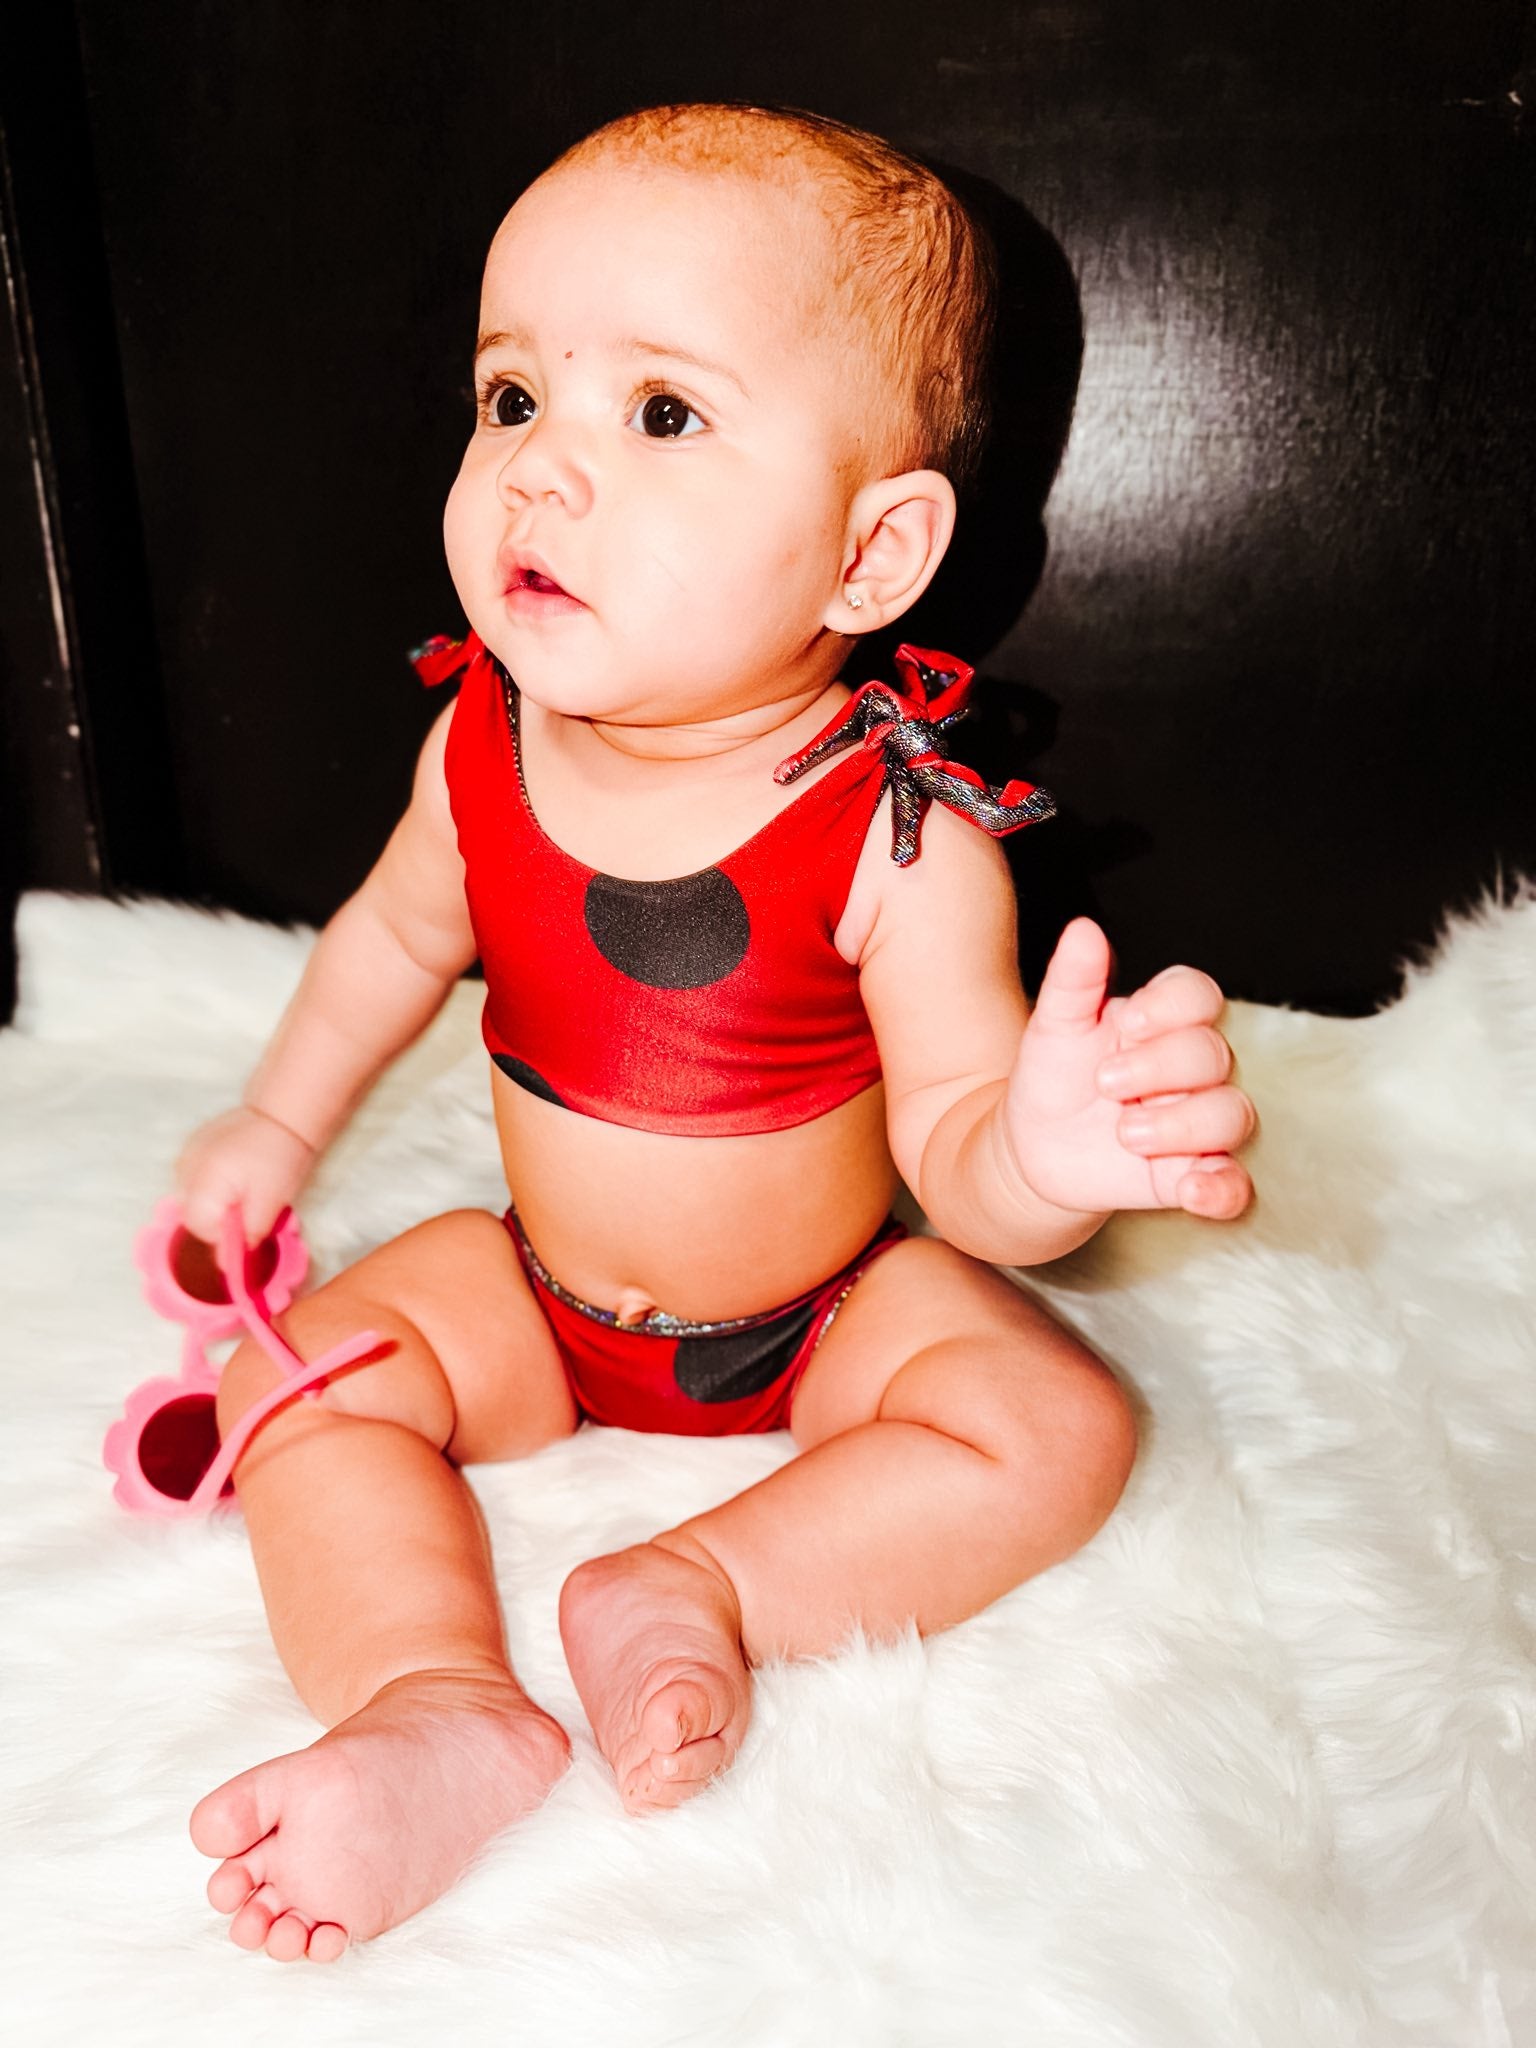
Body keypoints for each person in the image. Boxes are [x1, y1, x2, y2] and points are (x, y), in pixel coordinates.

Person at [177, 101, 1255, 1964]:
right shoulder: (479, 745)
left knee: (1057, 1421)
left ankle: (704, 1584)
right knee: (287, 1386)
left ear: (871, 556)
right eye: (515, 396)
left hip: (822, 1318)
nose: (540, 468)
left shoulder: (893, 828)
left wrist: (1044, 1157)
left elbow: (959, 1157)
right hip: (539, 1302)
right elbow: (387, 942)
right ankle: (436, 1698)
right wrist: (273, 1127)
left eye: (661, 413)